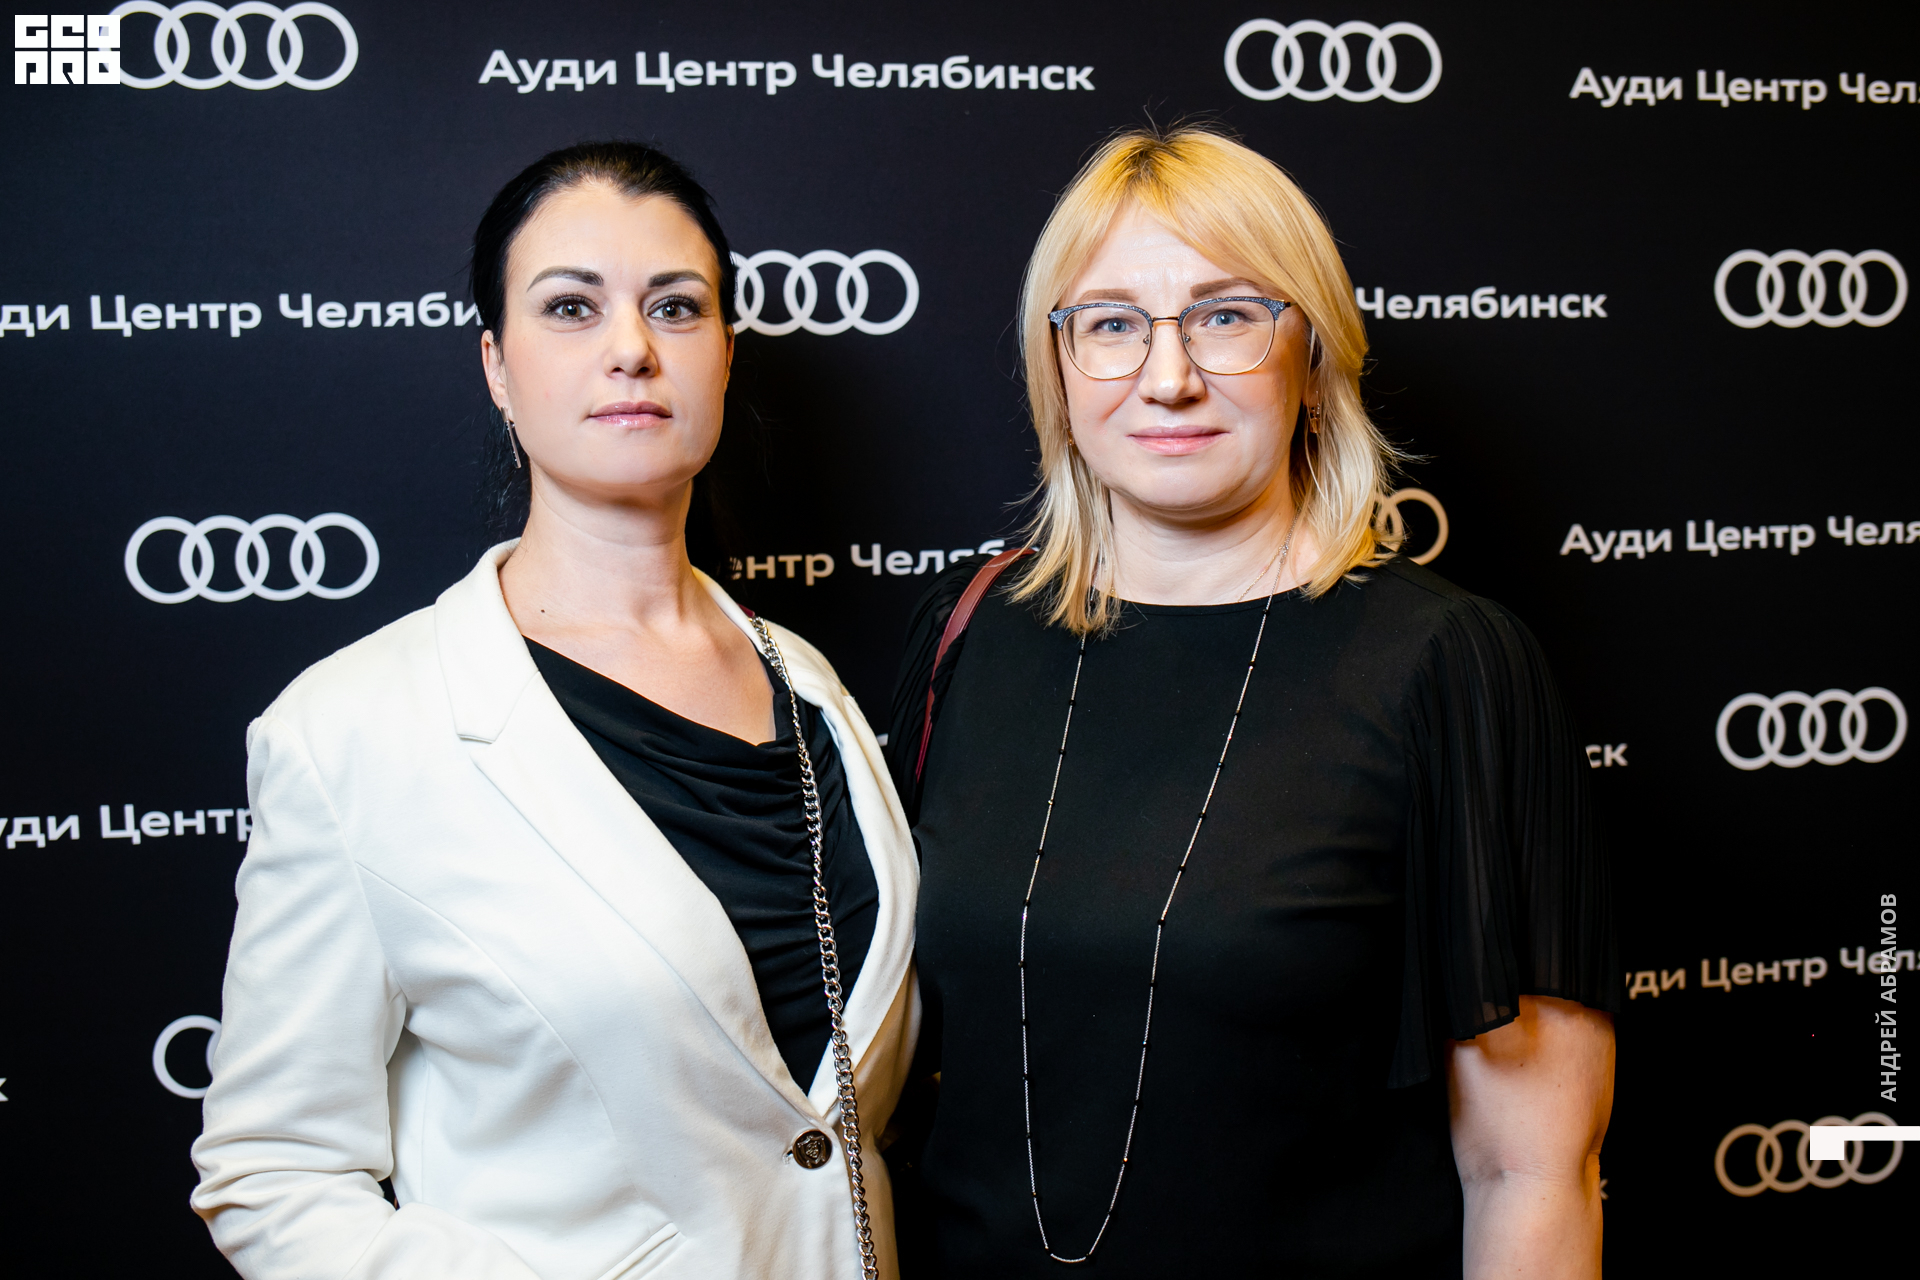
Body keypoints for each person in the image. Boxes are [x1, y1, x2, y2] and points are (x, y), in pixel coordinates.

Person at [887, 127, 1616, 1279]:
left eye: (1225, 316)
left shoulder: (1451, 666)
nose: (1167, 376)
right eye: (1112, 323)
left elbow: (1528, 1171)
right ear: (1058, 367)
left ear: (1311, 354)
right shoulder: (966, 634)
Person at [191, 142, 919, 1280]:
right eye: (571, 307)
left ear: (726, 351)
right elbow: (271, 1172)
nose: (632, 348)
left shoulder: (810, 683)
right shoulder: (353, 731)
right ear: (496, 362)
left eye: (675, 307)